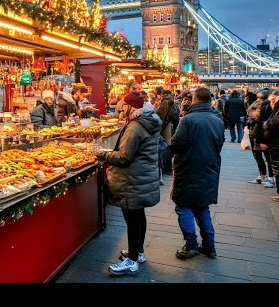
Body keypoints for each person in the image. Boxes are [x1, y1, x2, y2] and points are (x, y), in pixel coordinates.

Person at [95, 92, 161, 276]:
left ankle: (132, 261)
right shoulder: (149, 121)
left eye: (123, 105)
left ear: (130, 106)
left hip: (132, 179)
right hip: (142, 176)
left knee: (132, 220)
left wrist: (102, 153)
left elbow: (124, 157)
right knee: (139, 216)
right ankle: (138, 252)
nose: (121, 108)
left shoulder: (135, 127)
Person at [168, 87, 224, 260]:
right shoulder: (218, 121)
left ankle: (191, 244)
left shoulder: (188, 120)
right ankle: (209, 245)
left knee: (183, 206)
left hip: (188, 168)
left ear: (194, 99)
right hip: (210, 168)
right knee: (202, 207)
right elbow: (219, 144)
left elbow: (176, 144)